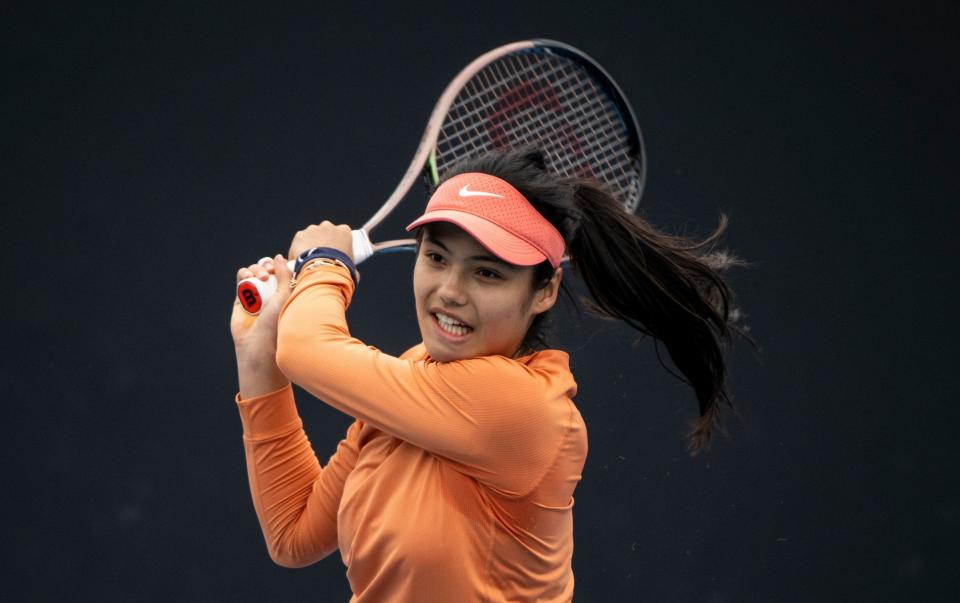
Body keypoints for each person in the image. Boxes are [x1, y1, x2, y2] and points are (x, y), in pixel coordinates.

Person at [230, 148, 754, 601]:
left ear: (543, 291)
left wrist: (325, 263)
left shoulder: (523, 406)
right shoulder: (414, 375)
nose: (451, 290)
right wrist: (257, 357)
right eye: (436, 257)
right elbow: (293, 534)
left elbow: (307, 350)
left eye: (487, 272)